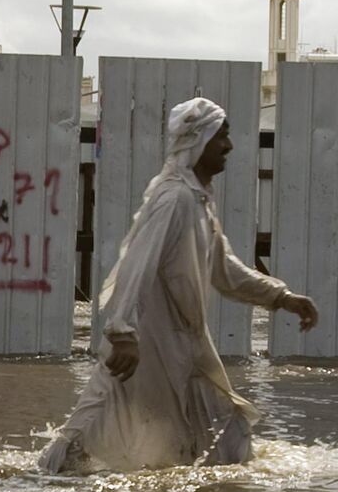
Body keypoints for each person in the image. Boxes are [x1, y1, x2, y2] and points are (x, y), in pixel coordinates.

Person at [40, 98, 319, 473]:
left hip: (187, 345)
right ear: (198, 140)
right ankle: (39, 489)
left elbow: (225, 271)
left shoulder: (198, 200)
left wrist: (282, 297)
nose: (229, 147)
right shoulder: (173, 199)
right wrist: (123, 332)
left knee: (223, 436)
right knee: (86, 434)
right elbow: (138, 263)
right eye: (223, 136)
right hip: (147, 345)